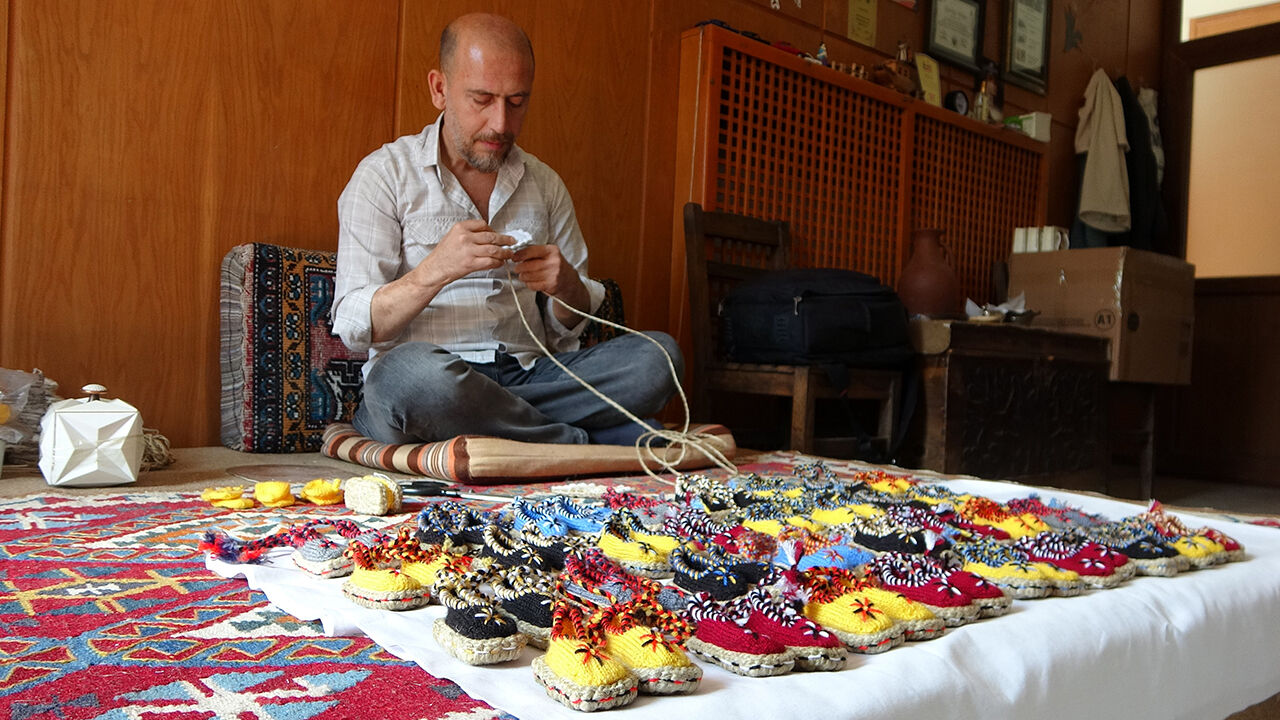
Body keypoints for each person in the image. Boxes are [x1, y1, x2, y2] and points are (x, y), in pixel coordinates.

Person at [331, 13, 682, 447]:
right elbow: (354, 326)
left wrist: (567, 287)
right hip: (432, 376)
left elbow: (566, 329)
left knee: (658, 359)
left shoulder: (545, 184)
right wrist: (434, 271)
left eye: (517, 102)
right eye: (482, 100)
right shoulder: (384, 176)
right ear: (439, 89)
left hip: (528, 373)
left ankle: (515, 432)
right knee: (410, 379)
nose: (500, 123)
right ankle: (577, 440)